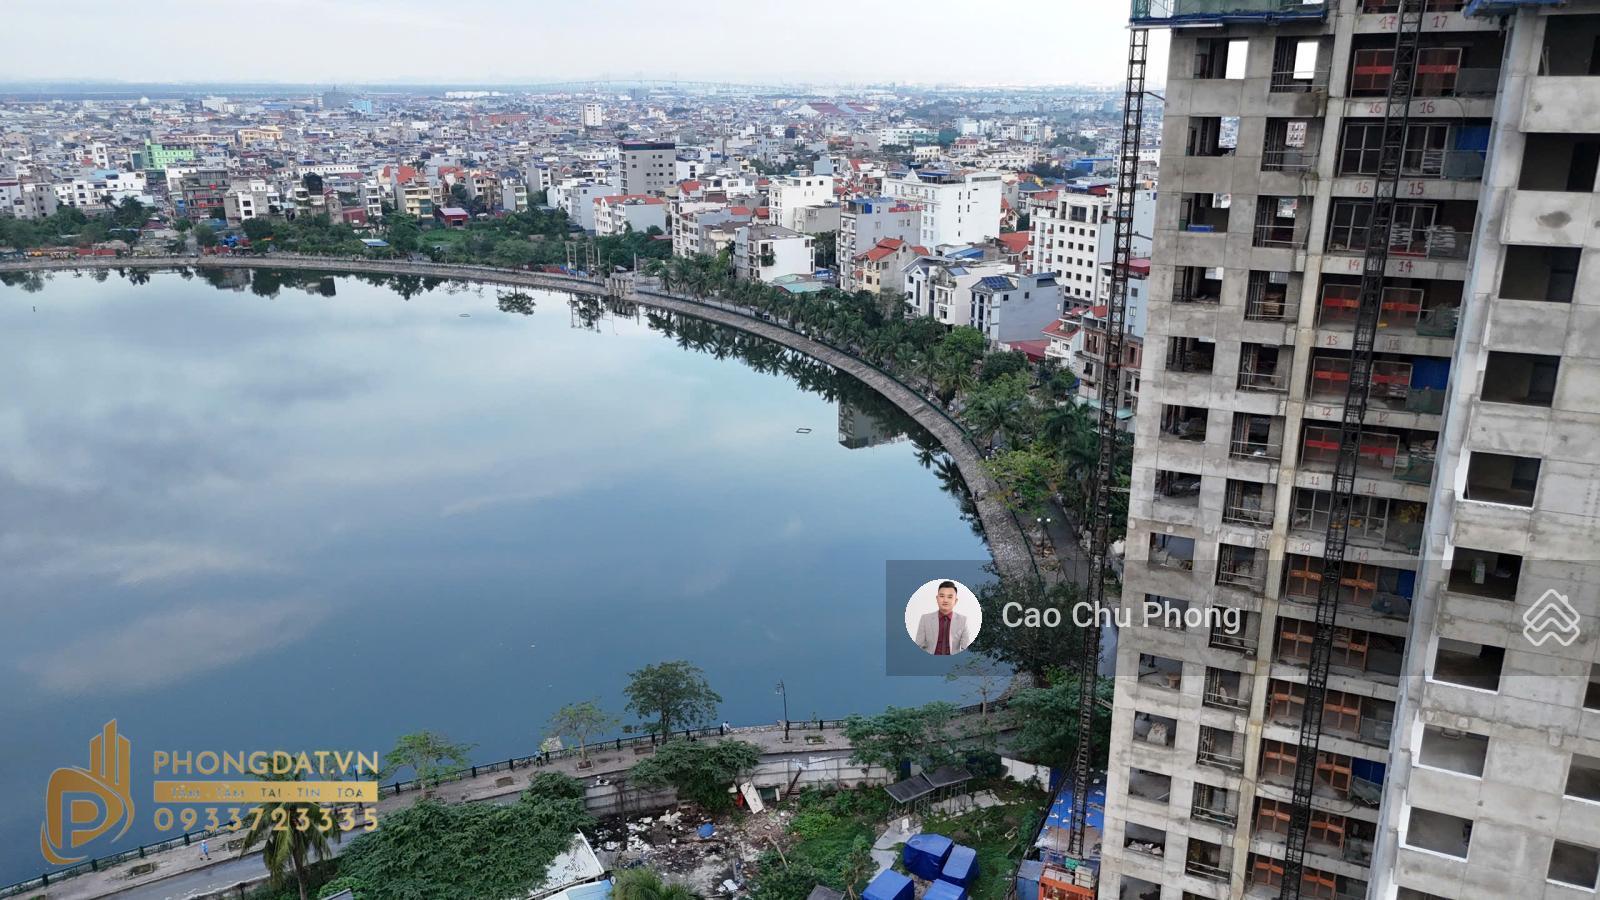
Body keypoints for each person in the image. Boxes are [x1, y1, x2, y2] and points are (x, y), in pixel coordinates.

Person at [914, 581, 973, 655]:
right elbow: (919, 645)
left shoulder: (963, 620)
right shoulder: (925, 619)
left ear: (955, 601)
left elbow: (966, 647)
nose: (945, 600)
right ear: (937, 598)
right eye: (942, 596)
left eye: (950, 597)